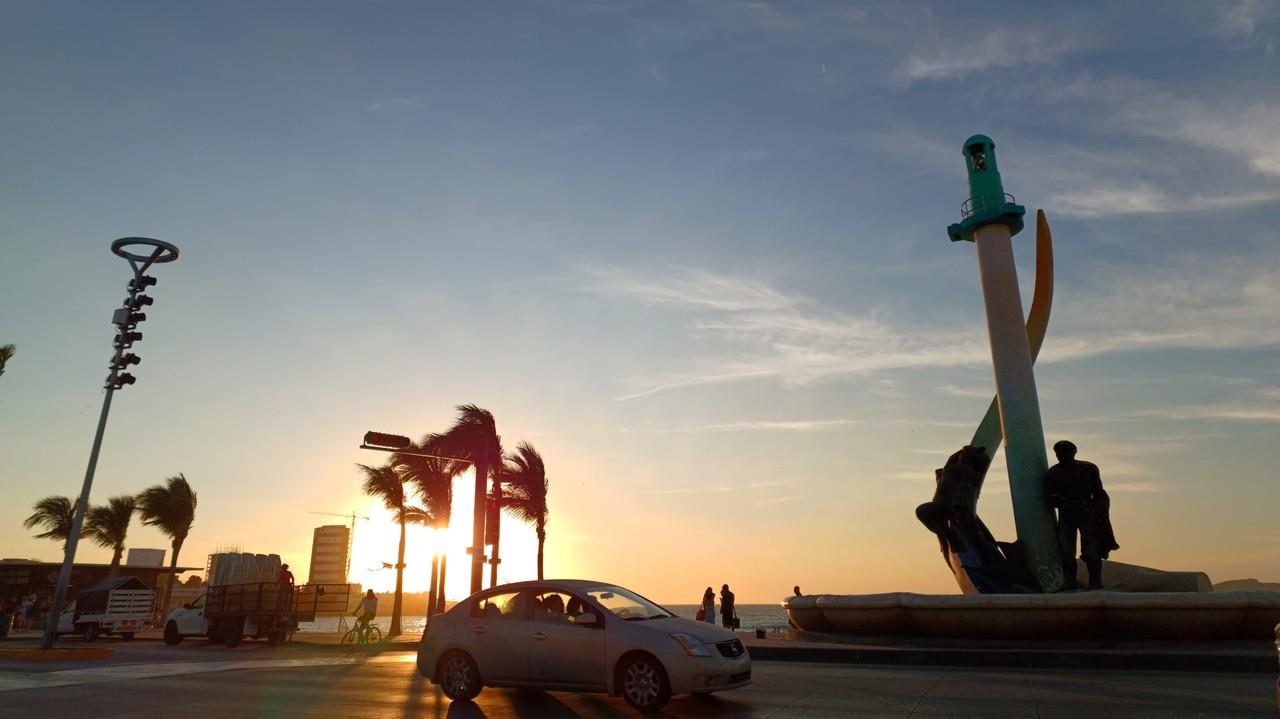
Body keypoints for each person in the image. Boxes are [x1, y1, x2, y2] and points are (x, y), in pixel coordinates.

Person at [1045, 441, 1119, 591]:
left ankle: (1095, 583)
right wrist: (1068, 502)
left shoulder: (1088, 468)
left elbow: (1099, 492)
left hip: (1087, 513)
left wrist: (1097, 511)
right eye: (1059, 453)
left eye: (1066, 452)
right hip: (1067, 515)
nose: (1062, 456)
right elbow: (1050, 498)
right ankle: (1070, 582)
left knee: (1092, 550)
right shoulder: (1054, 472)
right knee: (1066, 551)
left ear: (1074, 452)